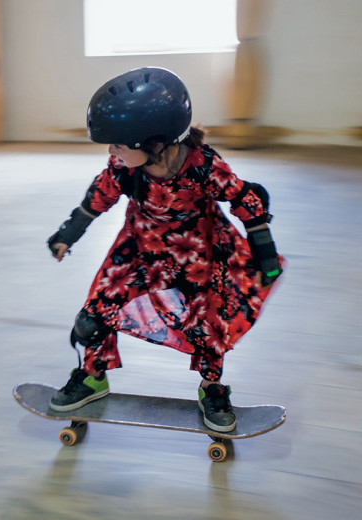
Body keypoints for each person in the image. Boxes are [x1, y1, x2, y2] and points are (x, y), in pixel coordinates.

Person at [46, 67, 283, 433]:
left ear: (154, 142)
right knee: (95, 315)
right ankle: (92, 377)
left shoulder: (204, 167)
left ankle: (213, 389)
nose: (112, 152)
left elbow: (246, 200)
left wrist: (264, 254)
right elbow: (99, 196)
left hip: (197, 253)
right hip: (141, 247)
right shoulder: (124, 168)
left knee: (207, 326)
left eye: (119, 145)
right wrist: (68, 233)